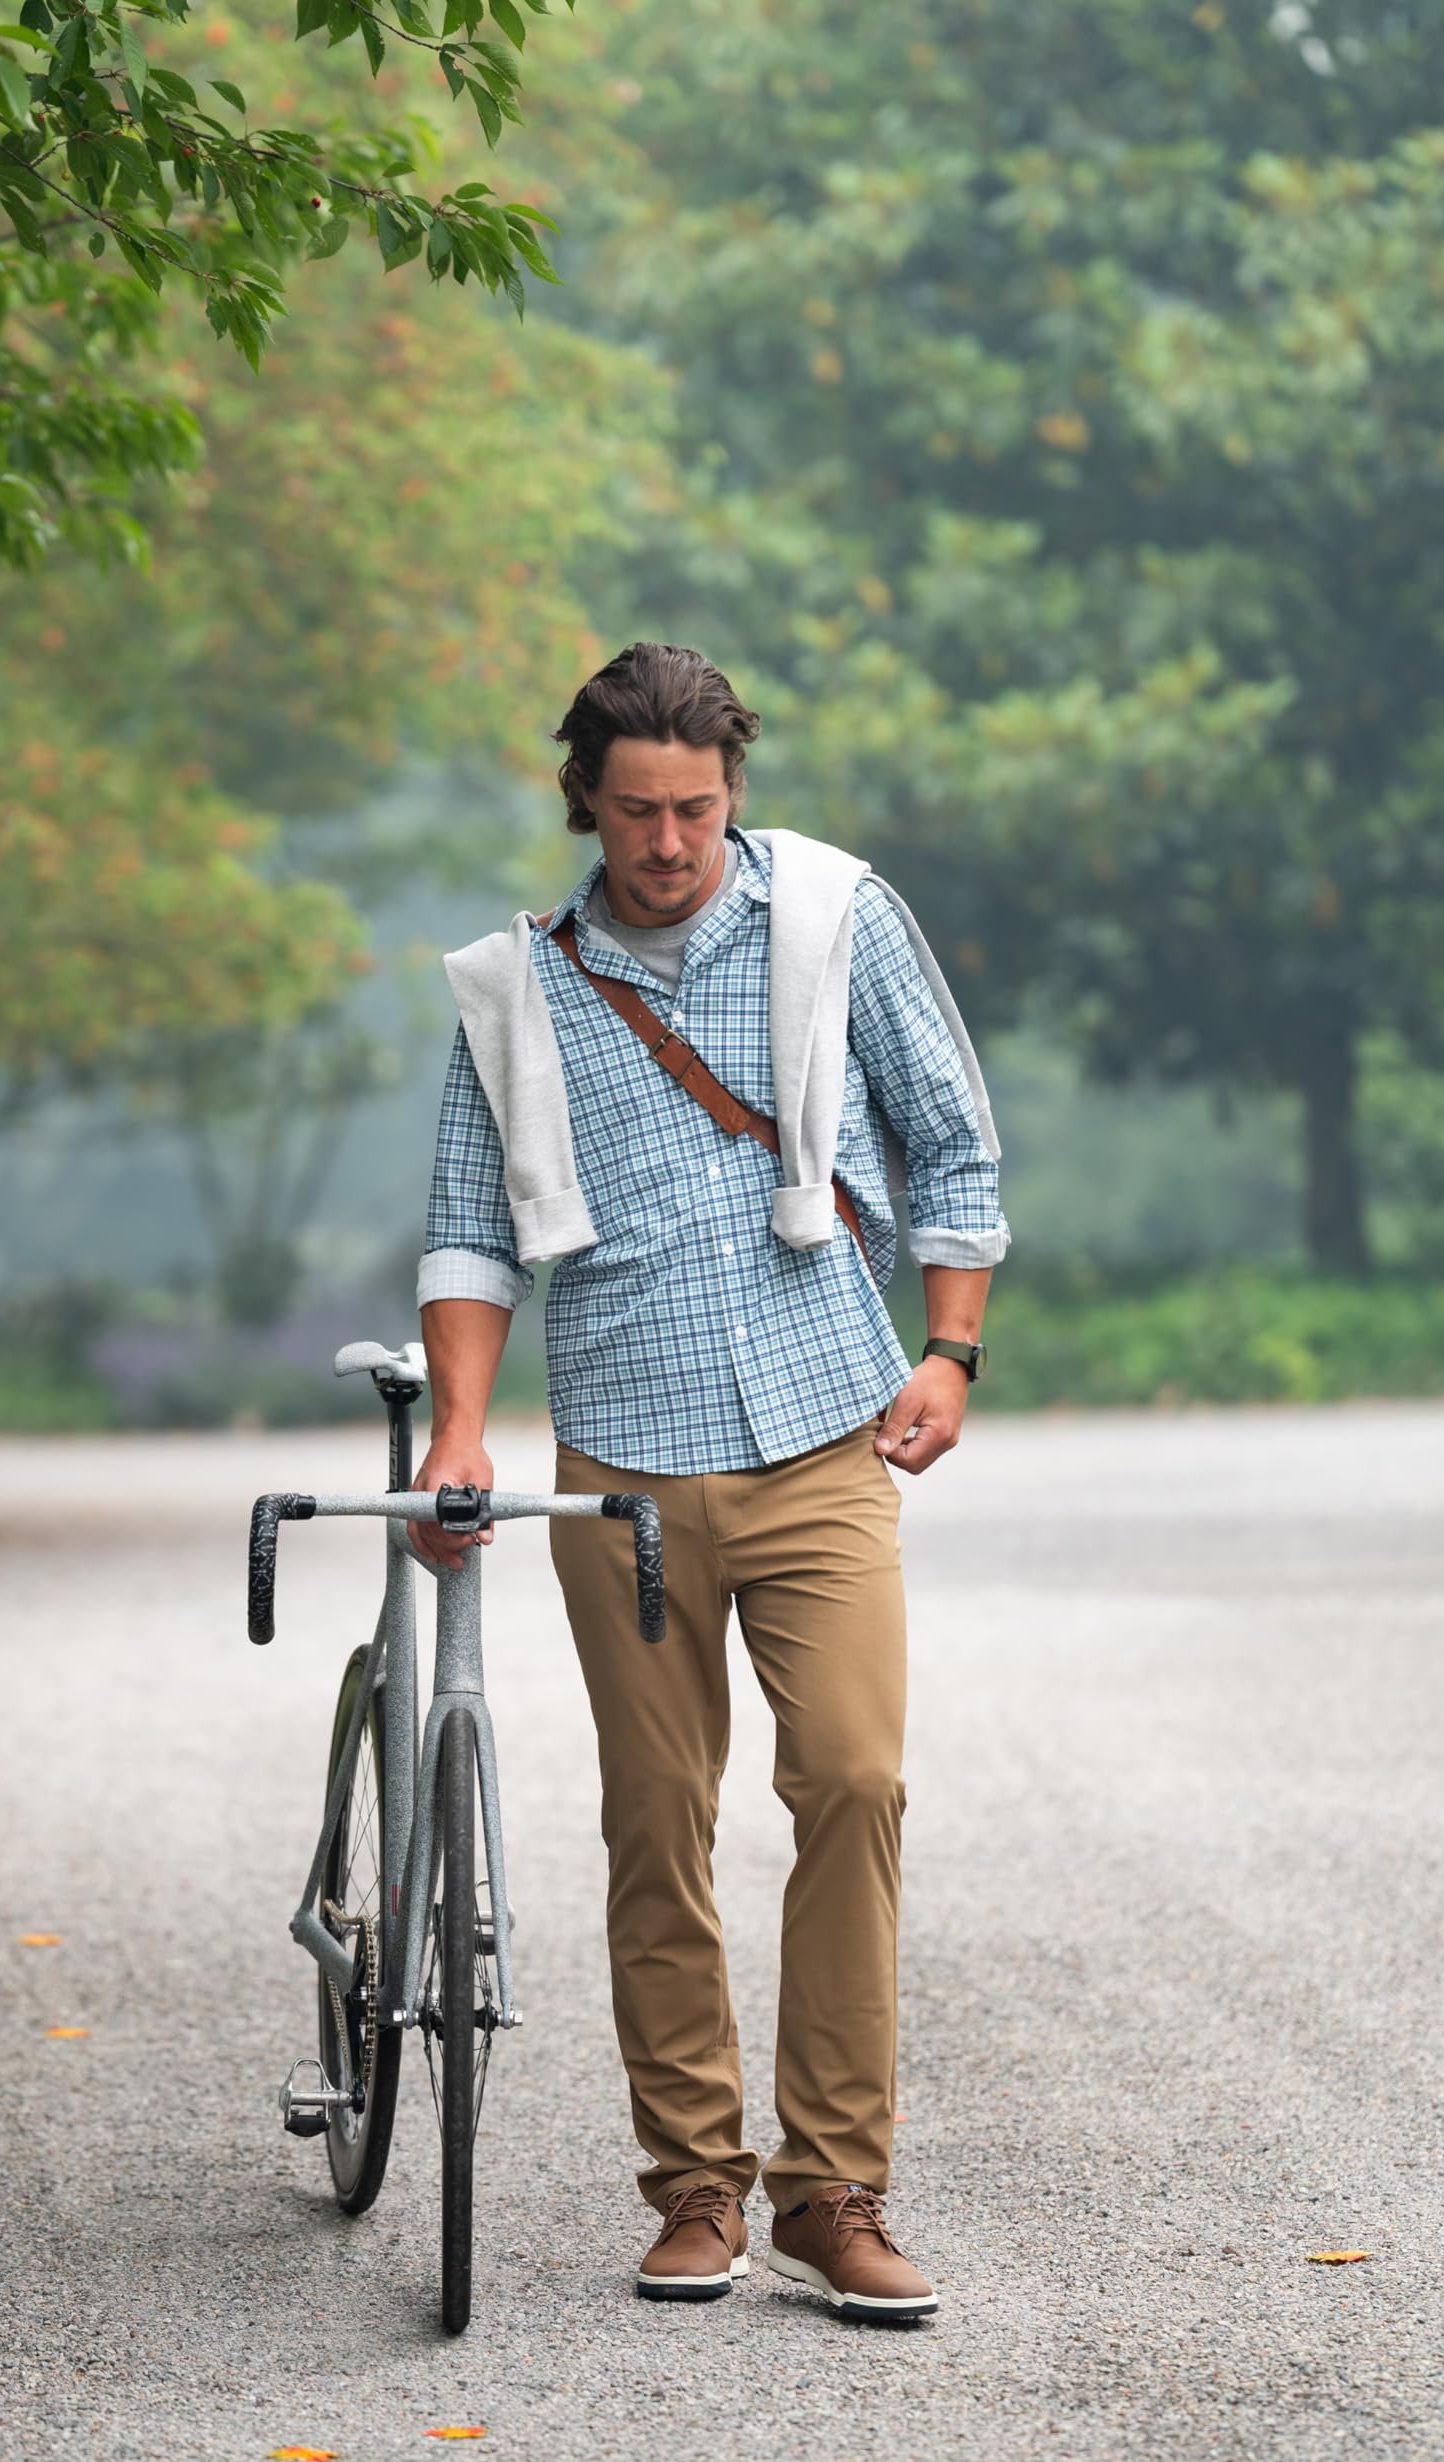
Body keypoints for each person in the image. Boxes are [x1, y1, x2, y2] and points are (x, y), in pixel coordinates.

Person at [408, 642, 1008, 2321]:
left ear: (731, 791)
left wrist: (948, 1352)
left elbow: (952, 1141)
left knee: (855, 1782)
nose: (667, 842)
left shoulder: (832, 921)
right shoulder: (514, 988)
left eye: (694, 807)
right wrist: (461, 1431)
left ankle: (832, 2187)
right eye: (634, 811)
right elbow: (467, 1226)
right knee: (656, 1822)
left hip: (825, 1430)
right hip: (623, 1464)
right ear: (581, 803)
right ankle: (691, 2187)